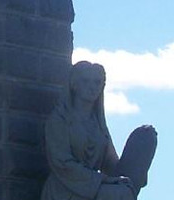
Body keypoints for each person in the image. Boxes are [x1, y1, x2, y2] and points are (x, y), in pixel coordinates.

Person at [41, 62, 157, 200]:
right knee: (118, 194)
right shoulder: (60, 120)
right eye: (86, 81)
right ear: (74, 84)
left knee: (123, 191)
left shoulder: (98, 125)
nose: (92, 87)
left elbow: (111, 165)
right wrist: (101, 180)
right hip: (66, 188)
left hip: (94, 186)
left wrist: (138, 157)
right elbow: (62, 163)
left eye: (97, 82)